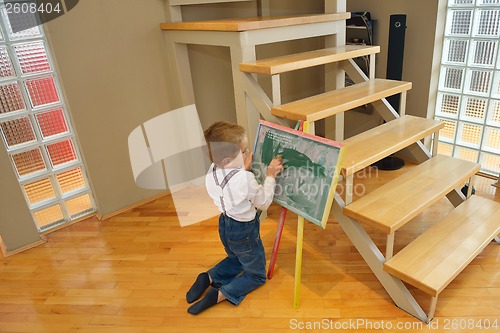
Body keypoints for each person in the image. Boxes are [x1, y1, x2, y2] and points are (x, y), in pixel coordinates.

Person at [186, 121, 283, 315]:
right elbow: (263, 203)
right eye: (244, 151)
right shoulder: (245, 180)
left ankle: (208, 277)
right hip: (244, 231)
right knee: (256, 275)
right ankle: (220, 294)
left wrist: (242, 167)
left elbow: (231, 183)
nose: (249, 154)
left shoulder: (212, 171)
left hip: (225, 225)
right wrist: (271, 176)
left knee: (236, 258)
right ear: (227, 162)